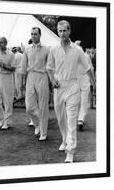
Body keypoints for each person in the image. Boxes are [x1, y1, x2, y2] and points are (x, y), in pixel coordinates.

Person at [46, 20, 95, 162]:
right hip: (58, 87)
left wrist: (93, 83)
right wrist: (52, 80)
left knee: (71, 120)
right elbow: (49, 68)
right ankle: (64, 140)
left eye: (64, 30)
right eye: (60, 31)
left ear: (69, 31)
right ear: (58, 32)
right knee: (61, 118)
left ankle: (70, 152)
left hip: (73, 87)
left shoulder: (78, 50)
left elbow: (88, 68)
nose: (62, 33)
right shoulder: (53, 49)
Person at [21, 27, 50, 141]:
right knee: (29, 107)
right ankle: (38, 124)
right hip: (30, 77)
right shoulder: (27, 49)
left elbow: (50, 66)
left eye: (36, 34)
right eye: (32, 34)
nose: (33, 36)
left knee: (43, 106)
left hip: (42, 76)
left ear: (40, 35)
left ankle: (43, 132)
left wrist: (51, 81)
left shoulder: (47, 49)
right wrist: (23, 82)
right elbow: (23, 67)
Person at [75, 41, 95, 131]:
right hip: (83, 80)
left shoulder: (74, 56)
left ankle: (79, 119)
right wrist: (93, 82)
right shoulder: (86, 57)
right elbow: (91, 70)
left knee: (78, 101)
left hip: (77, 80)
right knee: (83, 101)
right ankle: (80, 119)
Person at [0, 37, 15, 129]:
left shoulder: (11, 54)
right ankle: (0, 119)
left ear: (6, 43)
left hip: (7, 77)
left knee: (7, 100)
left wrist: (3, 65)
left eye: (1, 43)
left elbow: (13, 68)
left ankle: (7, 122)